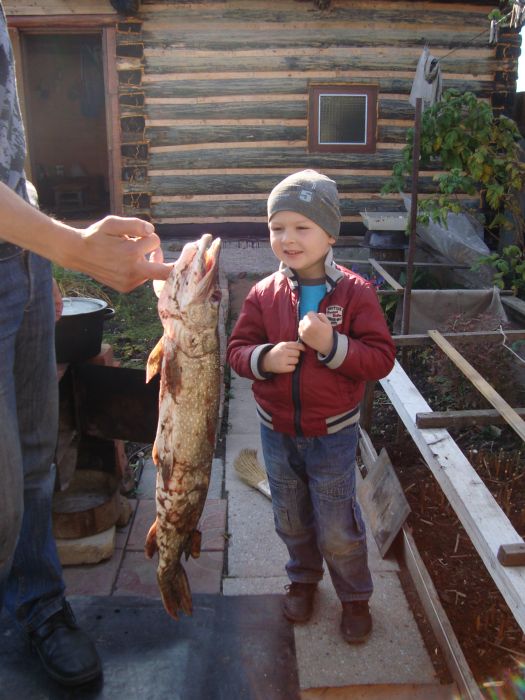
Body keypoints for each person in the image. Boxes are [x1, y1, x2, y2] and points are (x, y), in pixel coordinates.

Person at [0, 3, 171, 688]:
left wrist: (37, 227)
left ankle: (40, 604)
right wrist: (74, 246)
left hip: (21, 266)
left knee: (40, 459)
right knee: (3, 493)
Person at [227, 170, 396, 643]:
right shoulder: (263, 294)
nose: (288, 238)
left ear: (330, 233)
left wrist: (332, 344)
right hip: (276, 432)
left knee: (338, 523)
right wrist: (266, 358)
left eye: (302, 227)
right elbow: (237, 350)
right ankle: (303, 580)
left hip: (333, 434)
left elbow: (381, 359)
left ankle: (355, 597)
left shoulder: (356, 292)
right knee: (291, 516)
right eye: (278, 227)